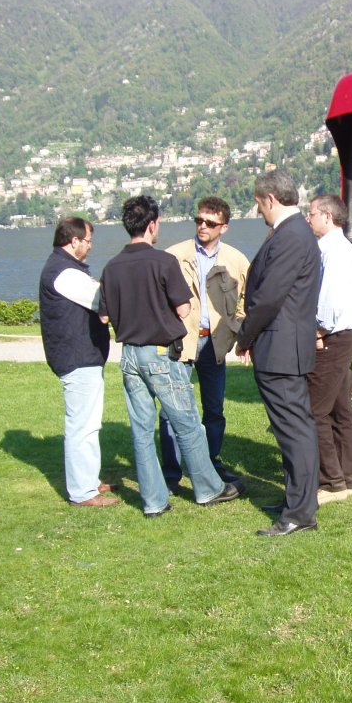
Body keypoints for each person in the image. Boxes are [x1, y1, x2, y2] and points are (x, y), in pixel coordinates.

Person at [99, 195, 243, 517]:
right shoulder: (164, 262)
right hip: (161, 354)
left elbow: (104, 318)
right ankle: (208, 488)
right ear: (152, 225)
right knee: (187, 423)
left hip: (129, 356)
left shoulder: (111, 268)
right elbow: (184, 308)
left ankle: (153, 500)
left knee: (141, 429)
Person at [236, 171, 322, 537]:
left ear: (270, 199)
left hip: (281, 347)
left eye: (259, 204)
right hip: (285, 345)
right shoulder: (296, 234)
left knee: (294, 431)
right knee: (292, 429)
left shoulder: (290, 236)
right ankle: (295, 500)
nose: (259, 212)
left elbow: (269, 297)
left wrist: (244, 337)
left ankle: (300, 512)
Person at [158, 197, 251, 492]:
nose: (202, 226)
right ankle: (171, 473)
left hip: (215, 344)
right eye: (198, 220)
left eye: (210, 223)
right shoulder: (174, 255)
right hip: (181, 342)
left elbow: (248, 298)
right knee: (171, 410)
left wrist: (236, 328)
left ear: (224, 227)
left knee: (214, 408)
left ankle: (211, 462)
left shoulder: (236, 260)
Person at [39, 217, 119, 507]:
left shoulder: (63, 268)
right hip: (77, 356)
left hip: (81, 355)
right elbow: (101, 300)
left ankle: (89, 480)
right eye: (87, 241)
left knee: (89, 422)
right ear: (73, 241)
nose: (89, 246)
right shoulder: (65, 273)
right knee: (82, 426)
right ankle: (83, 492)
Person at [305, 194, 352, 504]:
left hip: (329, 337)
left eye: (311, 213)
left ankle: (331, 482)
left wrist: (318, 331)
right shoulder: (341, 248)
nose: (308, 219)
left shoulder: (333, 250)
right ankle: (346, 478)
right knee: (340, 411)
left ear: (326, 217)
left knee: (315, 411)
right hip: (341, 336)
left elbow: (329, 300)